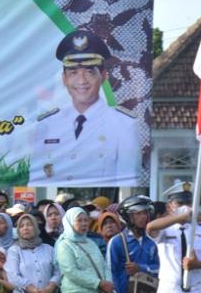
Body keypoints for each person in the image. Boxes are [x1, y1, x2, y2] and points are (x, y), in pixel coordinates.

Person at [31, 29, 139, 186]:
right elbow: (36, 180)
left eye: (89, 72)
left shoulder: (124, 124)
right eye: (73, 73)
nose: (81, 81)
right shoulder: (47, 125)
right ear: (64, 79)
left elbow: (128, 181)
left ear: (103, 76)